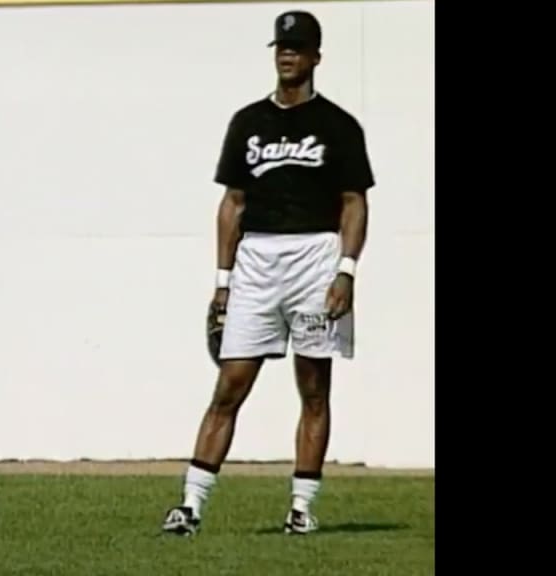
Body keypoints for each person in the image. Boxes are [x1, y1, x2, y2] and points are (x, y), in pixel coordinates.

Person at [161, 10, 374, 537]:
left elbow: (353, 203)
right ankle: (190, 505)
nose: (287, 55)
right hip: (257, 260)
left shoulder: (338, 126)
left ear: (315, 58)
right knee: (230, 383)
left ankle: (301, 508)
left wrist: (345, 271)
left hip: (315, 258)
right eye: (282, 47)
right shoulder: (248, 122)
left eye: (298, 48)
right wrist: (222, 281)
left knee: (314, 387)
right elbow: (232, 203)